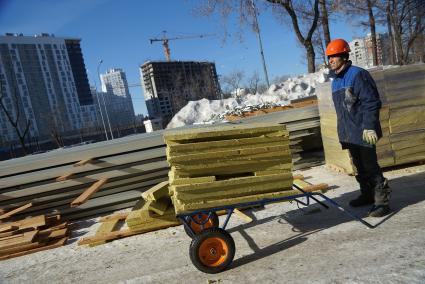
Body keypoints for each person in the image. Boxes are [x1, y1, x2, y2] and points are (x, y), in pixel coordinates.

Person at [326, 38, 391, 217]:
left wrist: (369, 127)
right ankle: (367, 194)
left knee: (370, 166)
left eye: (334, 56)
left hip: (364, 131)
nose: (330, 60)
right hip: (349, 133)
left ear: (344, 56)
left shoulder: (358, 75)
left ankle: (382, 201)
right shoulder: (336, 81)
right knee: (359, 166)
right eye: (329, 57)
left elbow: (371, 103)